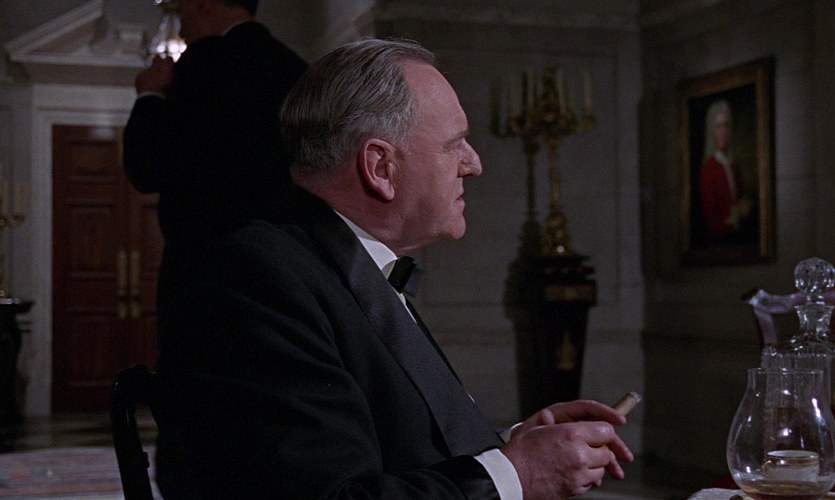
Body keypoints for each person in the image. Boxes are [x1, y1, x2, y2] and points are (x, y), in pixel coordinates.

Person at [152, 38, 633, 499]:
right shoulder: (257, 278)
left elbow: (396, 449)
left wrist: (514, 448)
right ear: (380, 167)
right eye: (455, 144)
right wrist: (518, 474)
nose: (474, 164)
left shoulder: (332, 262)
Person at [122, 0, 308, 324]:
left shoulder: (204, 63)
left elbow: (147, 168)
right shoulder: (298, 70)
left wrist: (149, 96)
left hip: (205, 272)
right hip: (286, 272)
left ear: (205, 5)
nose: (181, 27)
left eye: (182, 12)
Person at [698, 99, 753, 243]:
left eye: (726, 126)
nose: (723, 132)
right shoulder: (709, 169)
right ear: (711, 131)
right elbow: (712, 222)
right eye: (718, 127)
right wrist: (737, 213)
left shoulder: (733, 167)